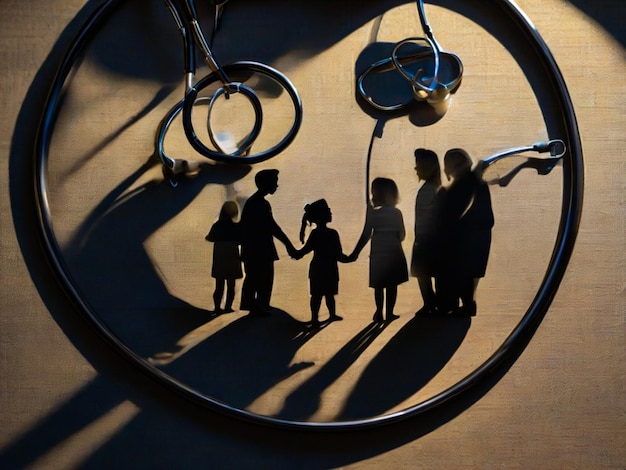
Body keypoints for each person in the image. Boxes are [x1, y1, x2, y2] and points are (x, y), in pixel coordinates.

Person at [439, 148, 494, 317]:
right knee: (468, 274)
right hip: (473, 237)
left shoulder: (469, 184)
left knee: (466, 273)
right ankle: (465, 304)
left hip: (469, 238)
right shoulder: (473, 183)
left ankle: (467, 305)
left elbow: (456, 212)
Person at [349, 177, 409, 322]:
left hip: (378, 254)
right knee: (392, 285)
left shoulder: (373, 214)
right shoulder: (396, 213)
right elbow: (402, 235)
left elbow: (366, 234)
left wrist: (355, 253)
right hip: (394, 253)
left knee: (379, 285)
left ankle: (379, 312)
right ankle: (389, 312)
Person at [239, 169, 296, 316]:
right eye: (274, 181)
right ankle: (258, 306)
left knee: (255, 278)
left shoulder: (254, 202)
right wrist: (289, 245)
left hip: (254, 249)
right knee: (261, 278)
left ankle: (255, 305)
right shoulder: (260, 204)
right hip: (259, 250)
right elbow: (272, 227)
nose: (277, 185)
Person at [293, 199, 350, 326]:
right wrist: (350, 258)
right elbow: (338, 255)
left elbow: (306, 250)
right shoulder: (332, 234)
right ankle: (331, 315)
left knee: (316, 295)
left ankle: (315, 318)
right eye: (328, 211)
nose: (331, 213)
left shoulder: (315, 233)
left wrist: (296, 254)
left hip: (317, 267)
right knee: (329, 294)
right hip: (329, 268)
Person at [411, 148, 446, 316]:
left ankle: (432, 303)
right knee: (428, 273)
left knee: (426, 273)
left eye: (419, 165)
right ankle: (432, 303)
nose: (416, 169)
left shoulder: (431, 190)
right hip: (427, 238)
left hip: (428, 239)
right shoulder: (432, 188)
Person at [205, 201, 242, 314]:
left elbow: (209, 238)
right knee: (231, 284)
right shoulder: (236, 226)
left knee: (219, 285)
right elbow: (241, 240)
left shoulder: (217, 226)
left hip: (220, 256)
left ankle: (217, 307)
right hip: (232, 255)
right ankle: (228, 307)